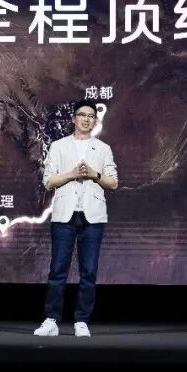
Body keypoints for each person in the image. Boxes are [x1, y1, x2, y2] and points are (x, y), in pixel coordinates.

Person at [33, 99, 118, 337]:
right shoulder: (59, 146)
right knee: (58, 269)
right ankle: (51, 319)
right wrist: (71, 174)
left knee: (88, 271)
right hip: (64, 215)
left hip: (93, 217)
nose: (87, 119)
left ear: (95, 121)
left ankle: (82, 321)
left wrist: (94, 174)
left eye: (91, 116)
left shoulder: (103, 148)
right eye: (82, 115)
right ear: (74, 119)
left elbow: (113, 182)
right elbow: (48, 181)